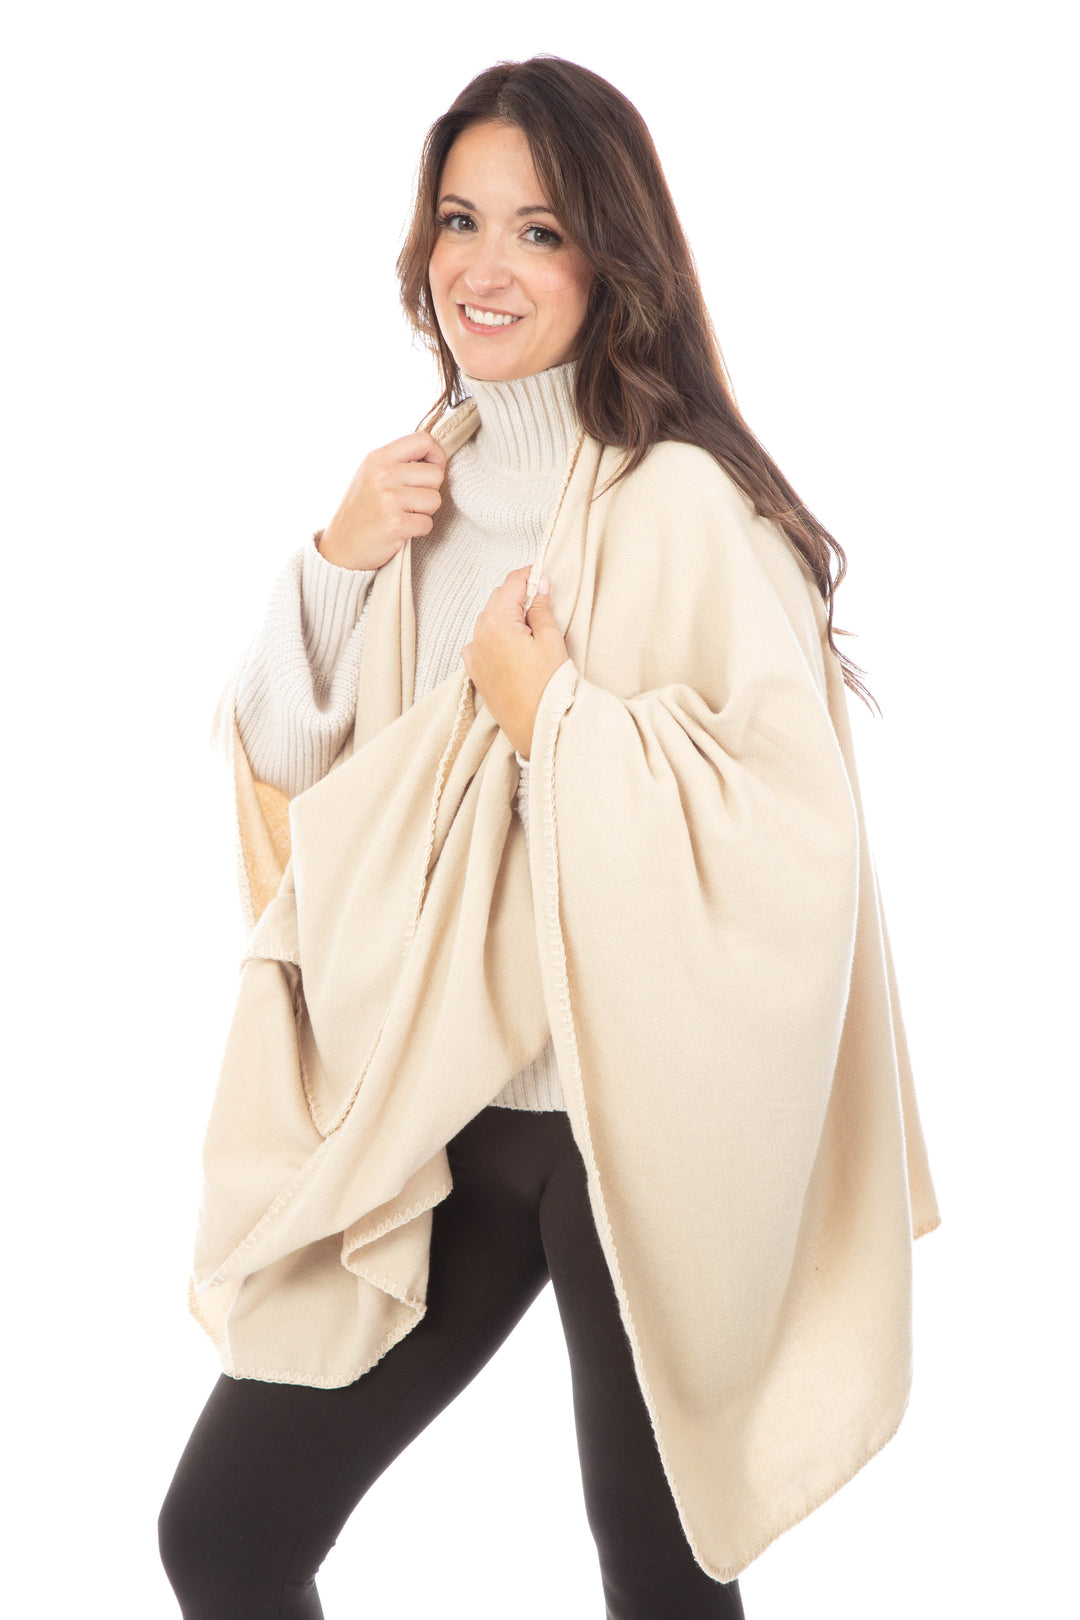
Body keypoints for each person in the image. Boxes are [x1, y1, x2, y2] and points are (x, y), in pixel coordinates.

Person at [159, 53, 940, 1620]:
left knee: (659, 1577)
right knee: (226, 1537)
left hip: (627, 1126)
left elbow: (793, 840)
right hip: (443, 1113)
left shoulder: (683, 505)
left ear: (611, 260)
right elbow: (305, 795)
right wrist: (334, 560)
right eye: (461, 220)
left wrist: (553, 717)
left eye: (540, 230)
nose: (486, 267)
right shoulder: (415, 493)